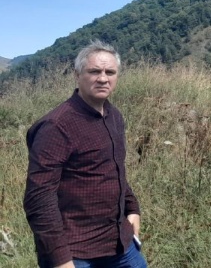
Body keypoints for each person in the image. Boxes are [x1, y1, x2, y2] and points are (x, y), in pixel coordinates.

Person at [23, 40, 147, 268]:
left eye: (110, 72)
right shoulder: (57, 126)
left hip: (120, 244)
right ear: (77, 74)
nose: (103, 78)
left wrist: (132, 209)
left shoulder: (114, 116)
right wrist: (60, 259)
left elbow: (115, 170)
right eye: (94, 71)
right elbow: (39, 198)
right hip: (76, 252)